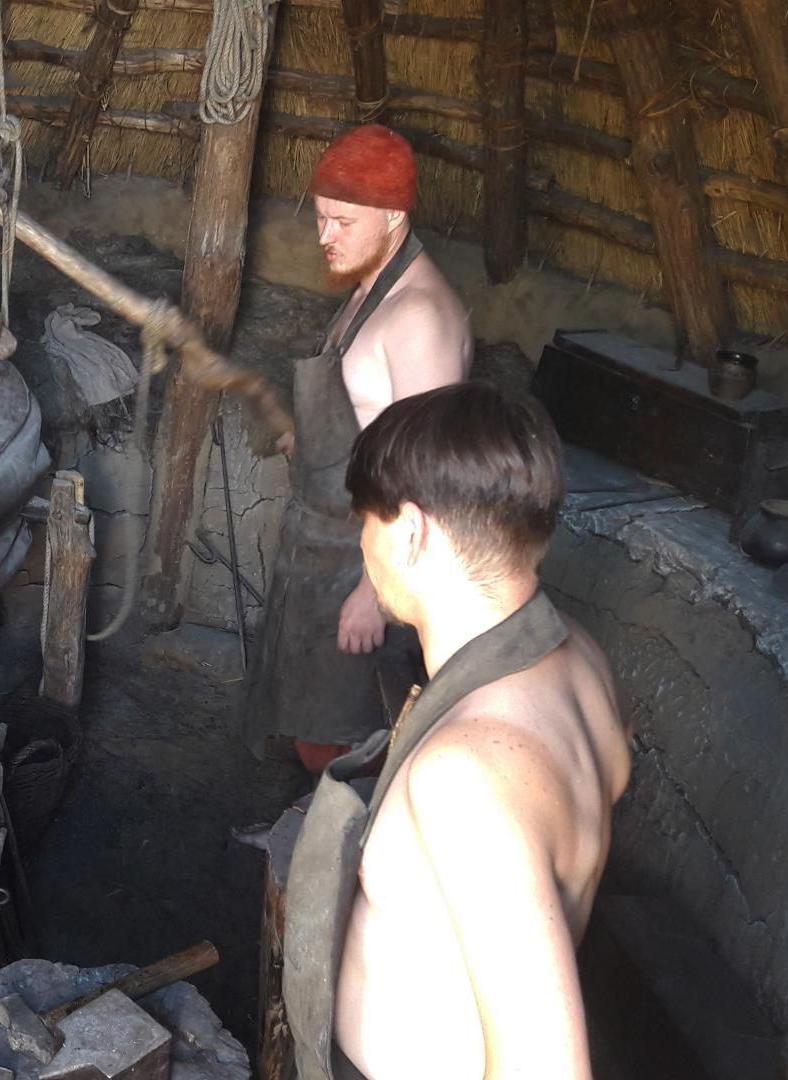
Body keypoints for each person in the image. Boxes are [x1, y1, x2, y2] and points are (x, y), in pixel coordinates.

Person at [281, 383, 631, 1080]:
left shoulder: (466, 775)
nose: (362, 541)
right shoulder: (580, 659)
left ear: (410, 532)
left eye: (365, 521)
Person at [240, 123, 473, 774]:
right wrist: (307, 438)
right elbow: (368, 416)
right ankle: (303, 844)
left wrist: (375, 593)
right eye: (321, 218)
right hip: (322, 539)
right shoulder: (370, 290)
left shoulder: (418, 316)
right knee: (312, 719)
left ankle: (341, 861)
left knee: (351, 736)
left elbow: (425, 476)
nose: (324, 236)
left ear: (394, 215)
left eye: (342, 221)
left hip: (361, 558)